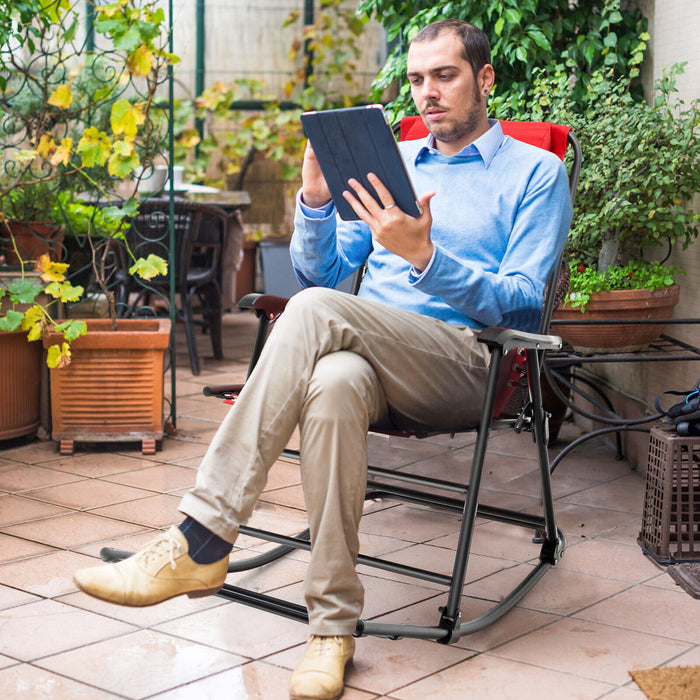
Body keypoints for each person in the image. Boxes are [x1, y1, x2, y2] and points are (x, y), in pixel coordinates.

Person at [74, 19, 572, 700]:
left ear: (485, 79)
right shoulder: (395, 163)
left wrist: (424, 256)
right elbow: (324, 273)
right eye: (418, 79)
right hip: (369, 353)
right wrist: (313, 198)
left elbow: (519, 306)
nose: (428, 93)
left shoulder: (536, 174)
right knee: (334, 383)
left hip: (469, 364)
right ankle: (332, 628)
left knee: (313, 317)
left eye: (445, 76)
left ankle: (202, 535)